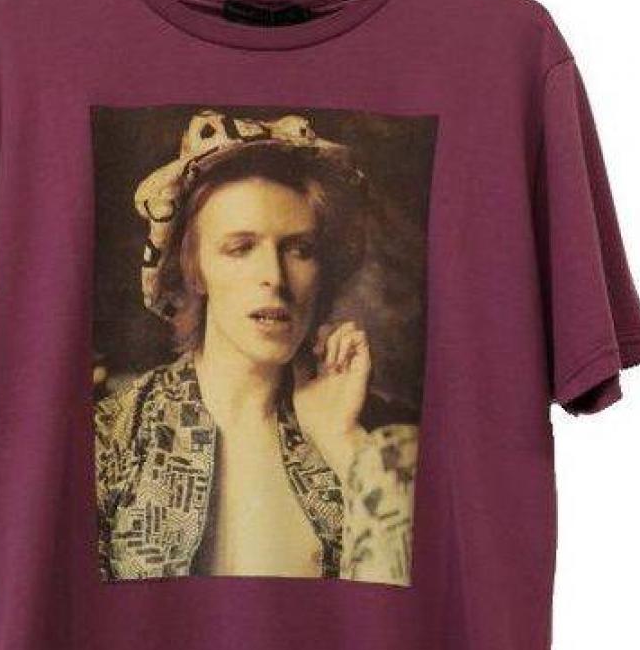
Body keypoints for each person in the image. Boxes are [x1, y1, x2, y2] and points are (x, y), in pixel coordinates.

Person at [94, 109, 420, 585]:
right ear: (194, 268)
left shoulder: (378, 438)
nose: (274, 277)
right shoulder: (110, 438)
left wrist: (341, 440)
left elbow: (426, 601)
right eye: (241, 247)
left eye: (299, 249)